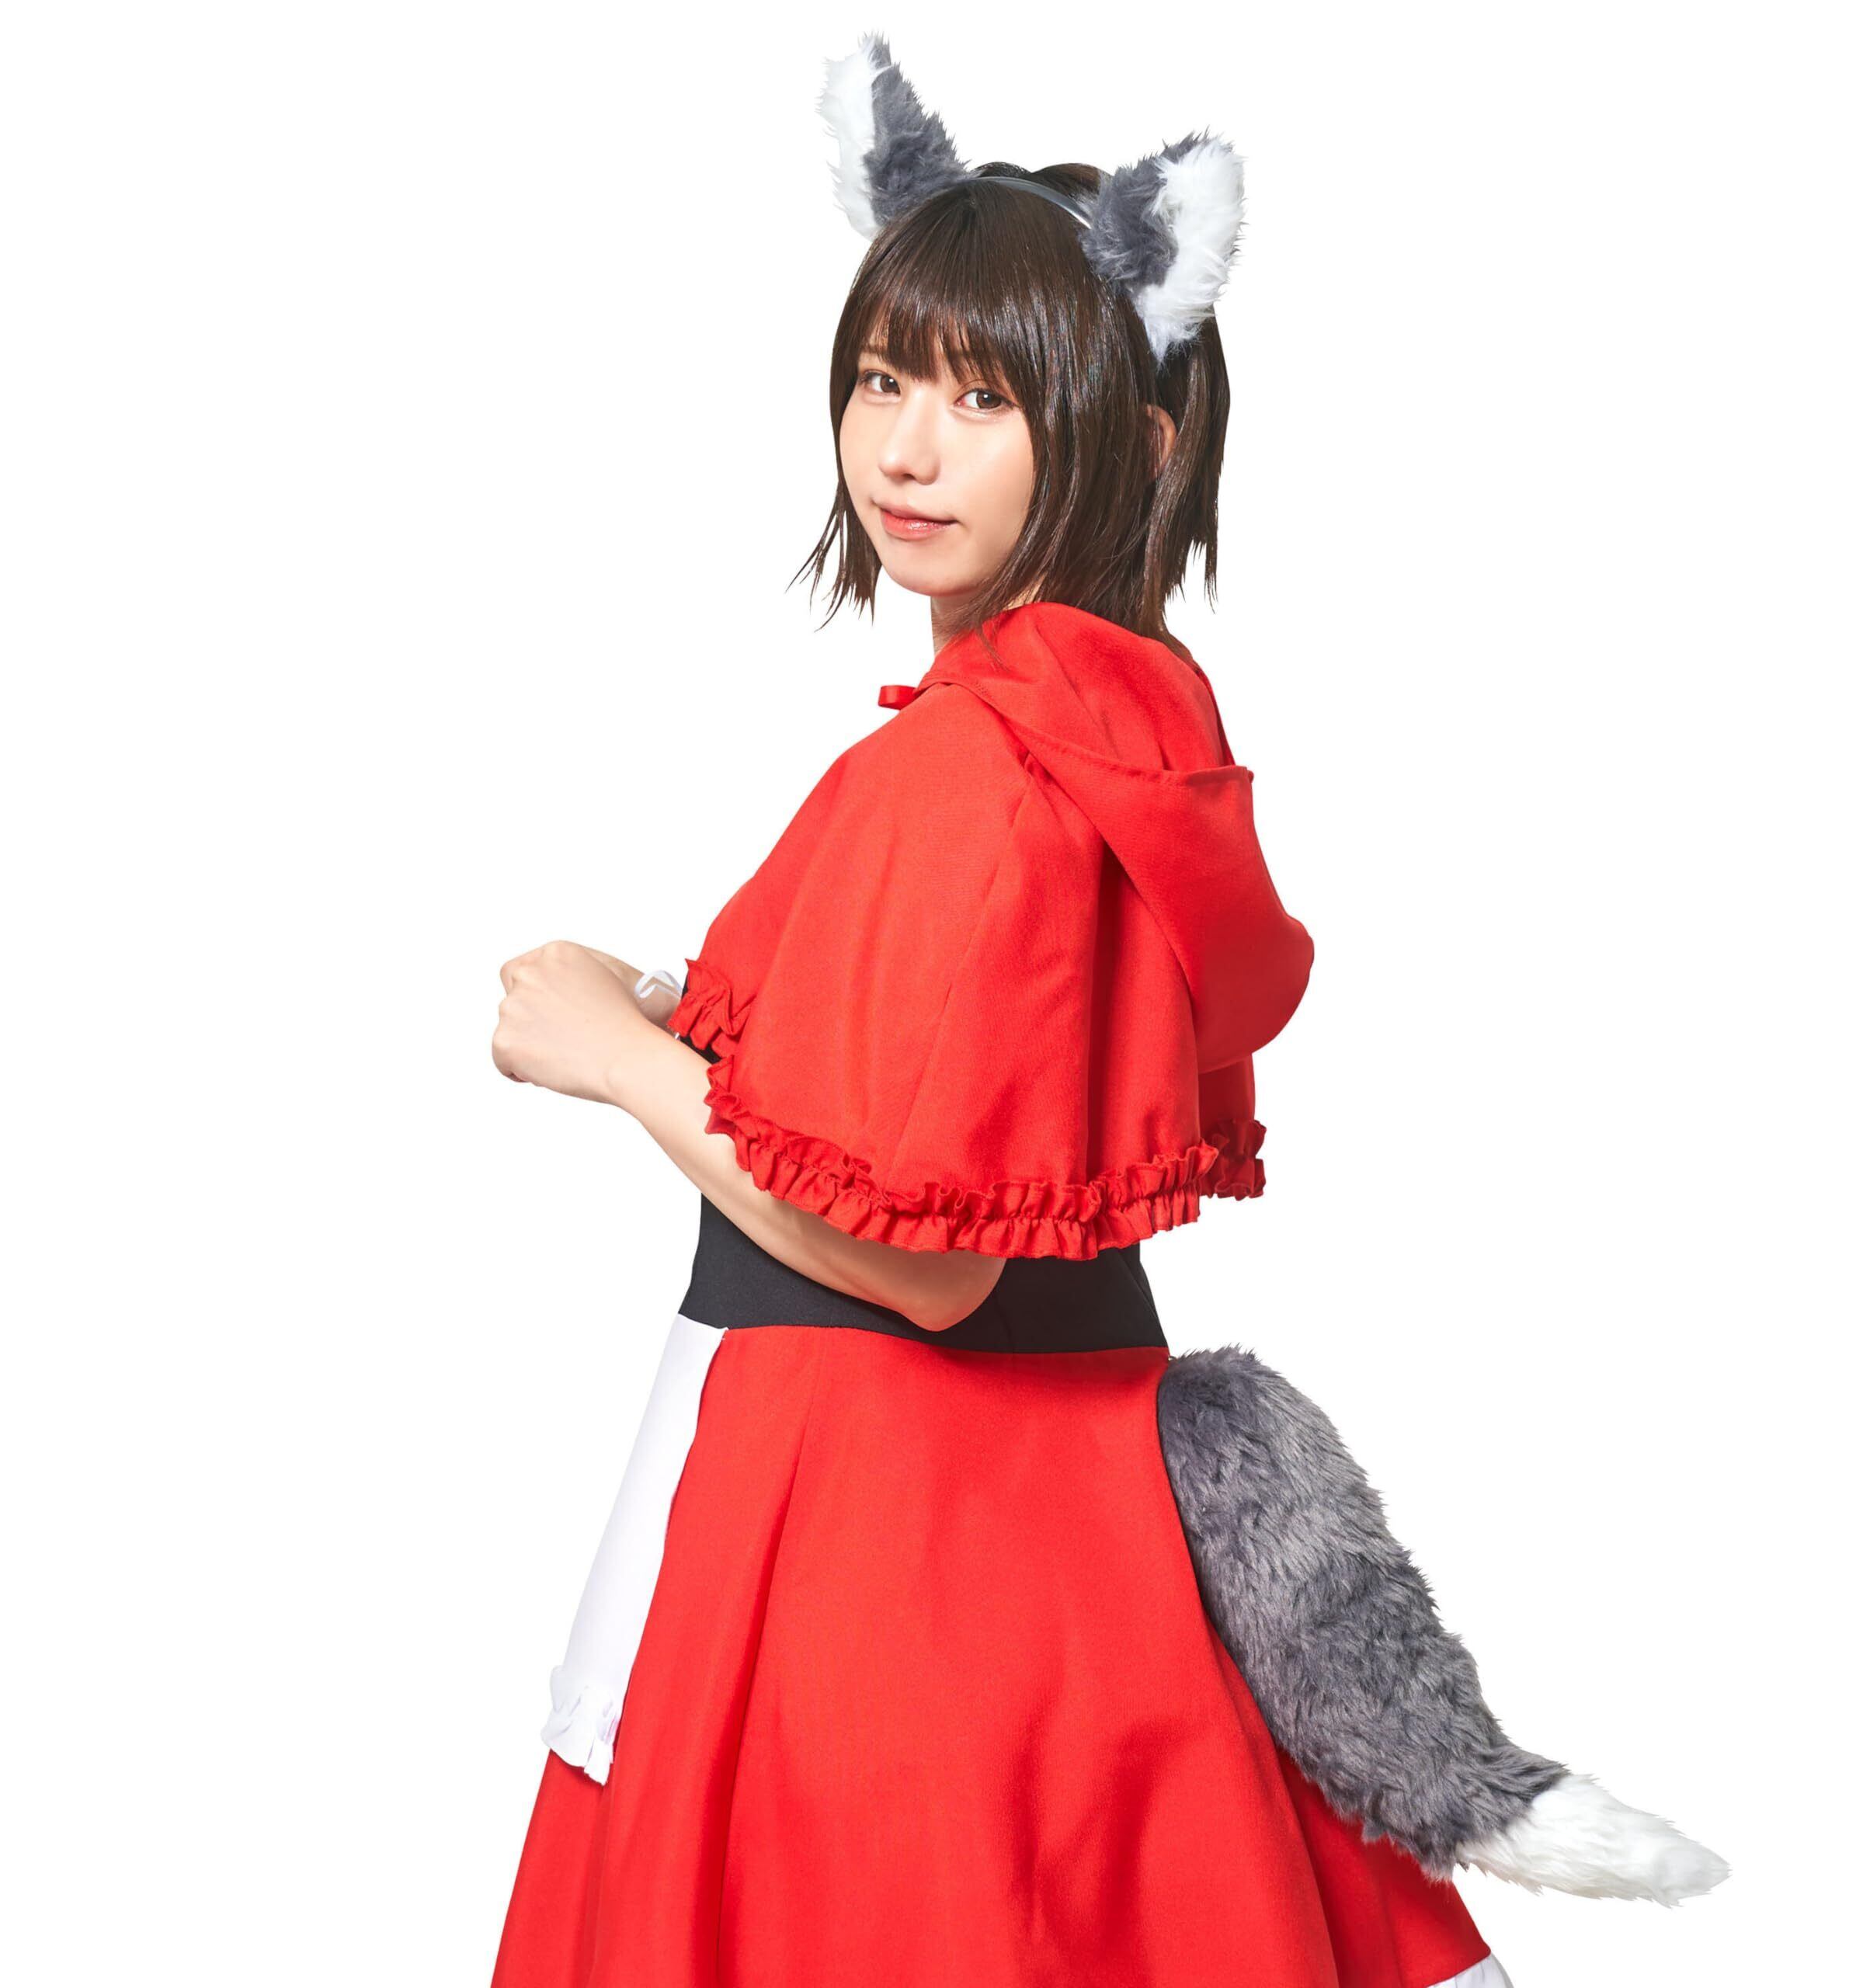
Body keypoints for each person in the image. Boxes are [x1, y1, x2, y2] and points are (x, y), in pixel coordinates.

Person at [483, 37, 1722, 1986]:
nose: (903, 451)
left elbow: (924, 1258)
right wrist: (706, 1009)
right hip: (1060, 1537)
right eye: (881, 378)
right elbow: (955, 1101)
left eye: (983, 398)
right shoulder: (1120, 736)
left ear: (1136, 445)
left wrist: (611, 1052)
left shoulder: (961, 767)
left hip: (867, 1533)